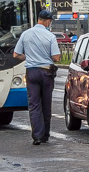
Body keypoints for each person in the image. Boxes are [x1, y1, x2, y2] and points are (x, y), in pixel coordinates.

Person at [12, 9, 61, 145]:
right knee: (46, 104)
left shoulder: (26, 34)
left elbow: (16, 54)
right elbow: (56, 57)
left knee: (34, 105)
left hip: (31, 72)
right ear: (47, 21)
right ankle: (45, 135)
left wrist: (28, 57)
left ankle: (37, 136)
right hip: (46, 73)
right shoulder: (50, 36)